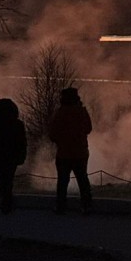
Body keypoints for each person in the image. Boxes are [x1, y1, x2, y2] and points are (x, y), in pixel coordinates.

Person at [48, 86, 94, 214]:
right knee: (83, 180)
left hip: (64, 154)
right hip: (81, 153)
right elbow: (89, 129)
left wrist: (60, 141)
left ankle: (61, 206)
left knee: (62, 182)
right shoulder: (82, 112)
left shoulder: (60, 113)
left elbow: (52, 134)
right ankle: (86, 205)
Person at [0, 97, 27, 214]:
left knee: (0, 181)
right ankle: (7, 202)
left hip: (0, 157)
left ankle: (7, 203)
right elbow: (23, 143)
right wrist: (21, 156)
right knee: (7, 180)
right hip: (11, 157)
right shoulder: (18, 125)